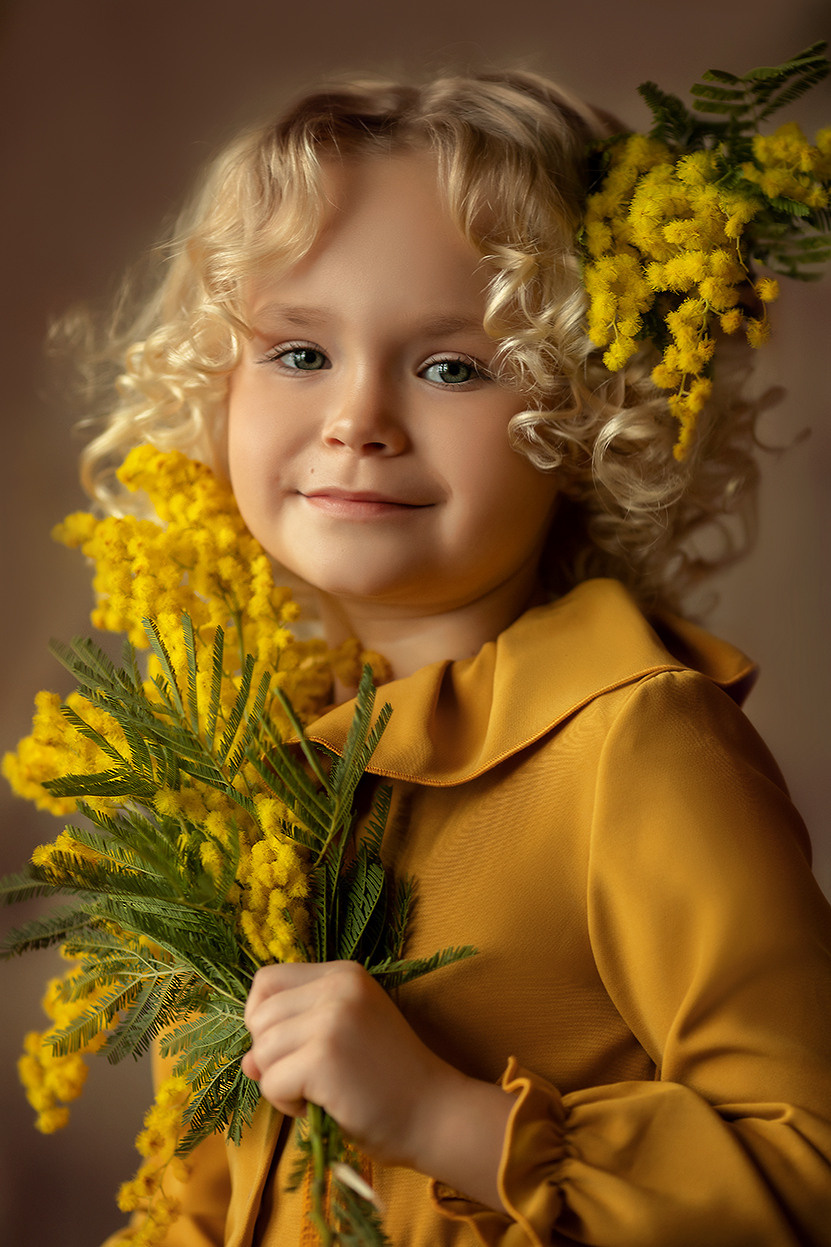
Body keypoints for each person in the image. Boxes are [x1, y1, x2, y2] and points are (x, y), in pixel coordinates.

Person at [78, 71, 831, 1246]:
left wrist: (443, 1113)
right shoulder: (259, 761)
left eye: (450, 367)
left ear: (587, 411)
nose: (357, 417)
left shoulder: (638, 741)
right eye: (295, 352)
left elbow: (806, 1169)